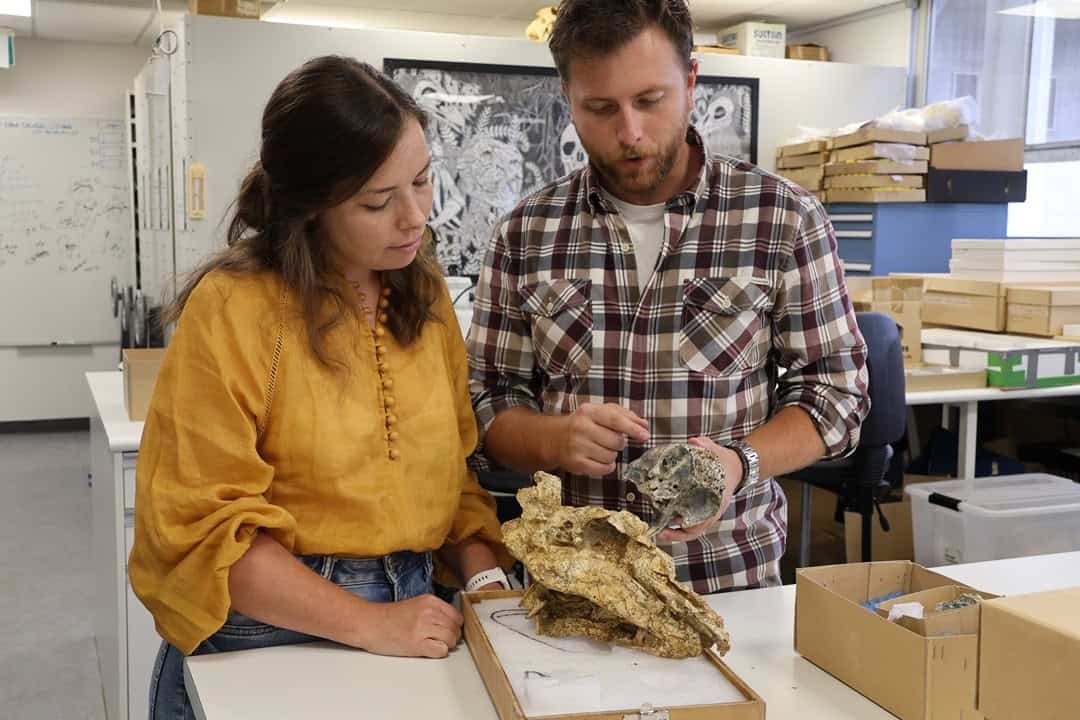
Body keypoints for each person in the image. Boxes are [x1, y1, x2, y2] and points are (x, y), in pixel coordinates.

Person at [129, 56, 512, 720]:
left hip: (419, 609)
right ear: (309, 205)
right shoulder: (234, 307)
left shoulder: (420, 291)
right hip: (270, 630)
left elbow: (451, 478)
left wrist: (485, 579)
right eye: (376, 201)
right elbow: (202, 532)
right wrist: (371, 623)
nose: (416, 217)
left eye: (423, 182)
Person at [468, 0, 870, 594]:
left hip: (728, 586)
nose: (629, 132)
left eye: (650, 101)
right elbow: (486, 401)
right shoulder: (526, 232)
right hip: (576, 585)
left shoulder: (781, 217)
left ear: (690, 82)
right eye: (600, 109)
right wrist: (553, 438)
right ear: (568, 99)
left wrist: (738, 463)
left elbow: (836, 394)